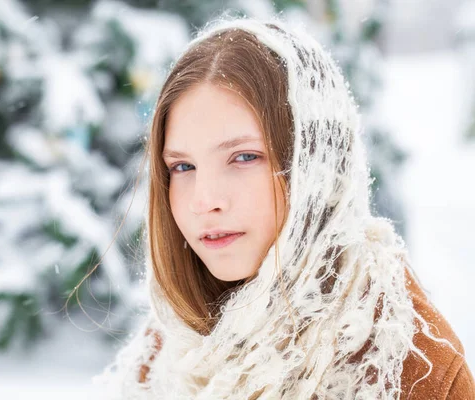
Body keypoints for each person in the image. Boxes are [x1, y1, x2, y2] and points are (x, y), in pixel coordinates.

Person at [93, 16, 475, 399]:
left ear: (316, 164)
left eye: (244, 157)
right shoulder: (169, 349)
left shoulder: (413, 372)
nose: (204, 200)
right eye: (183, 166)